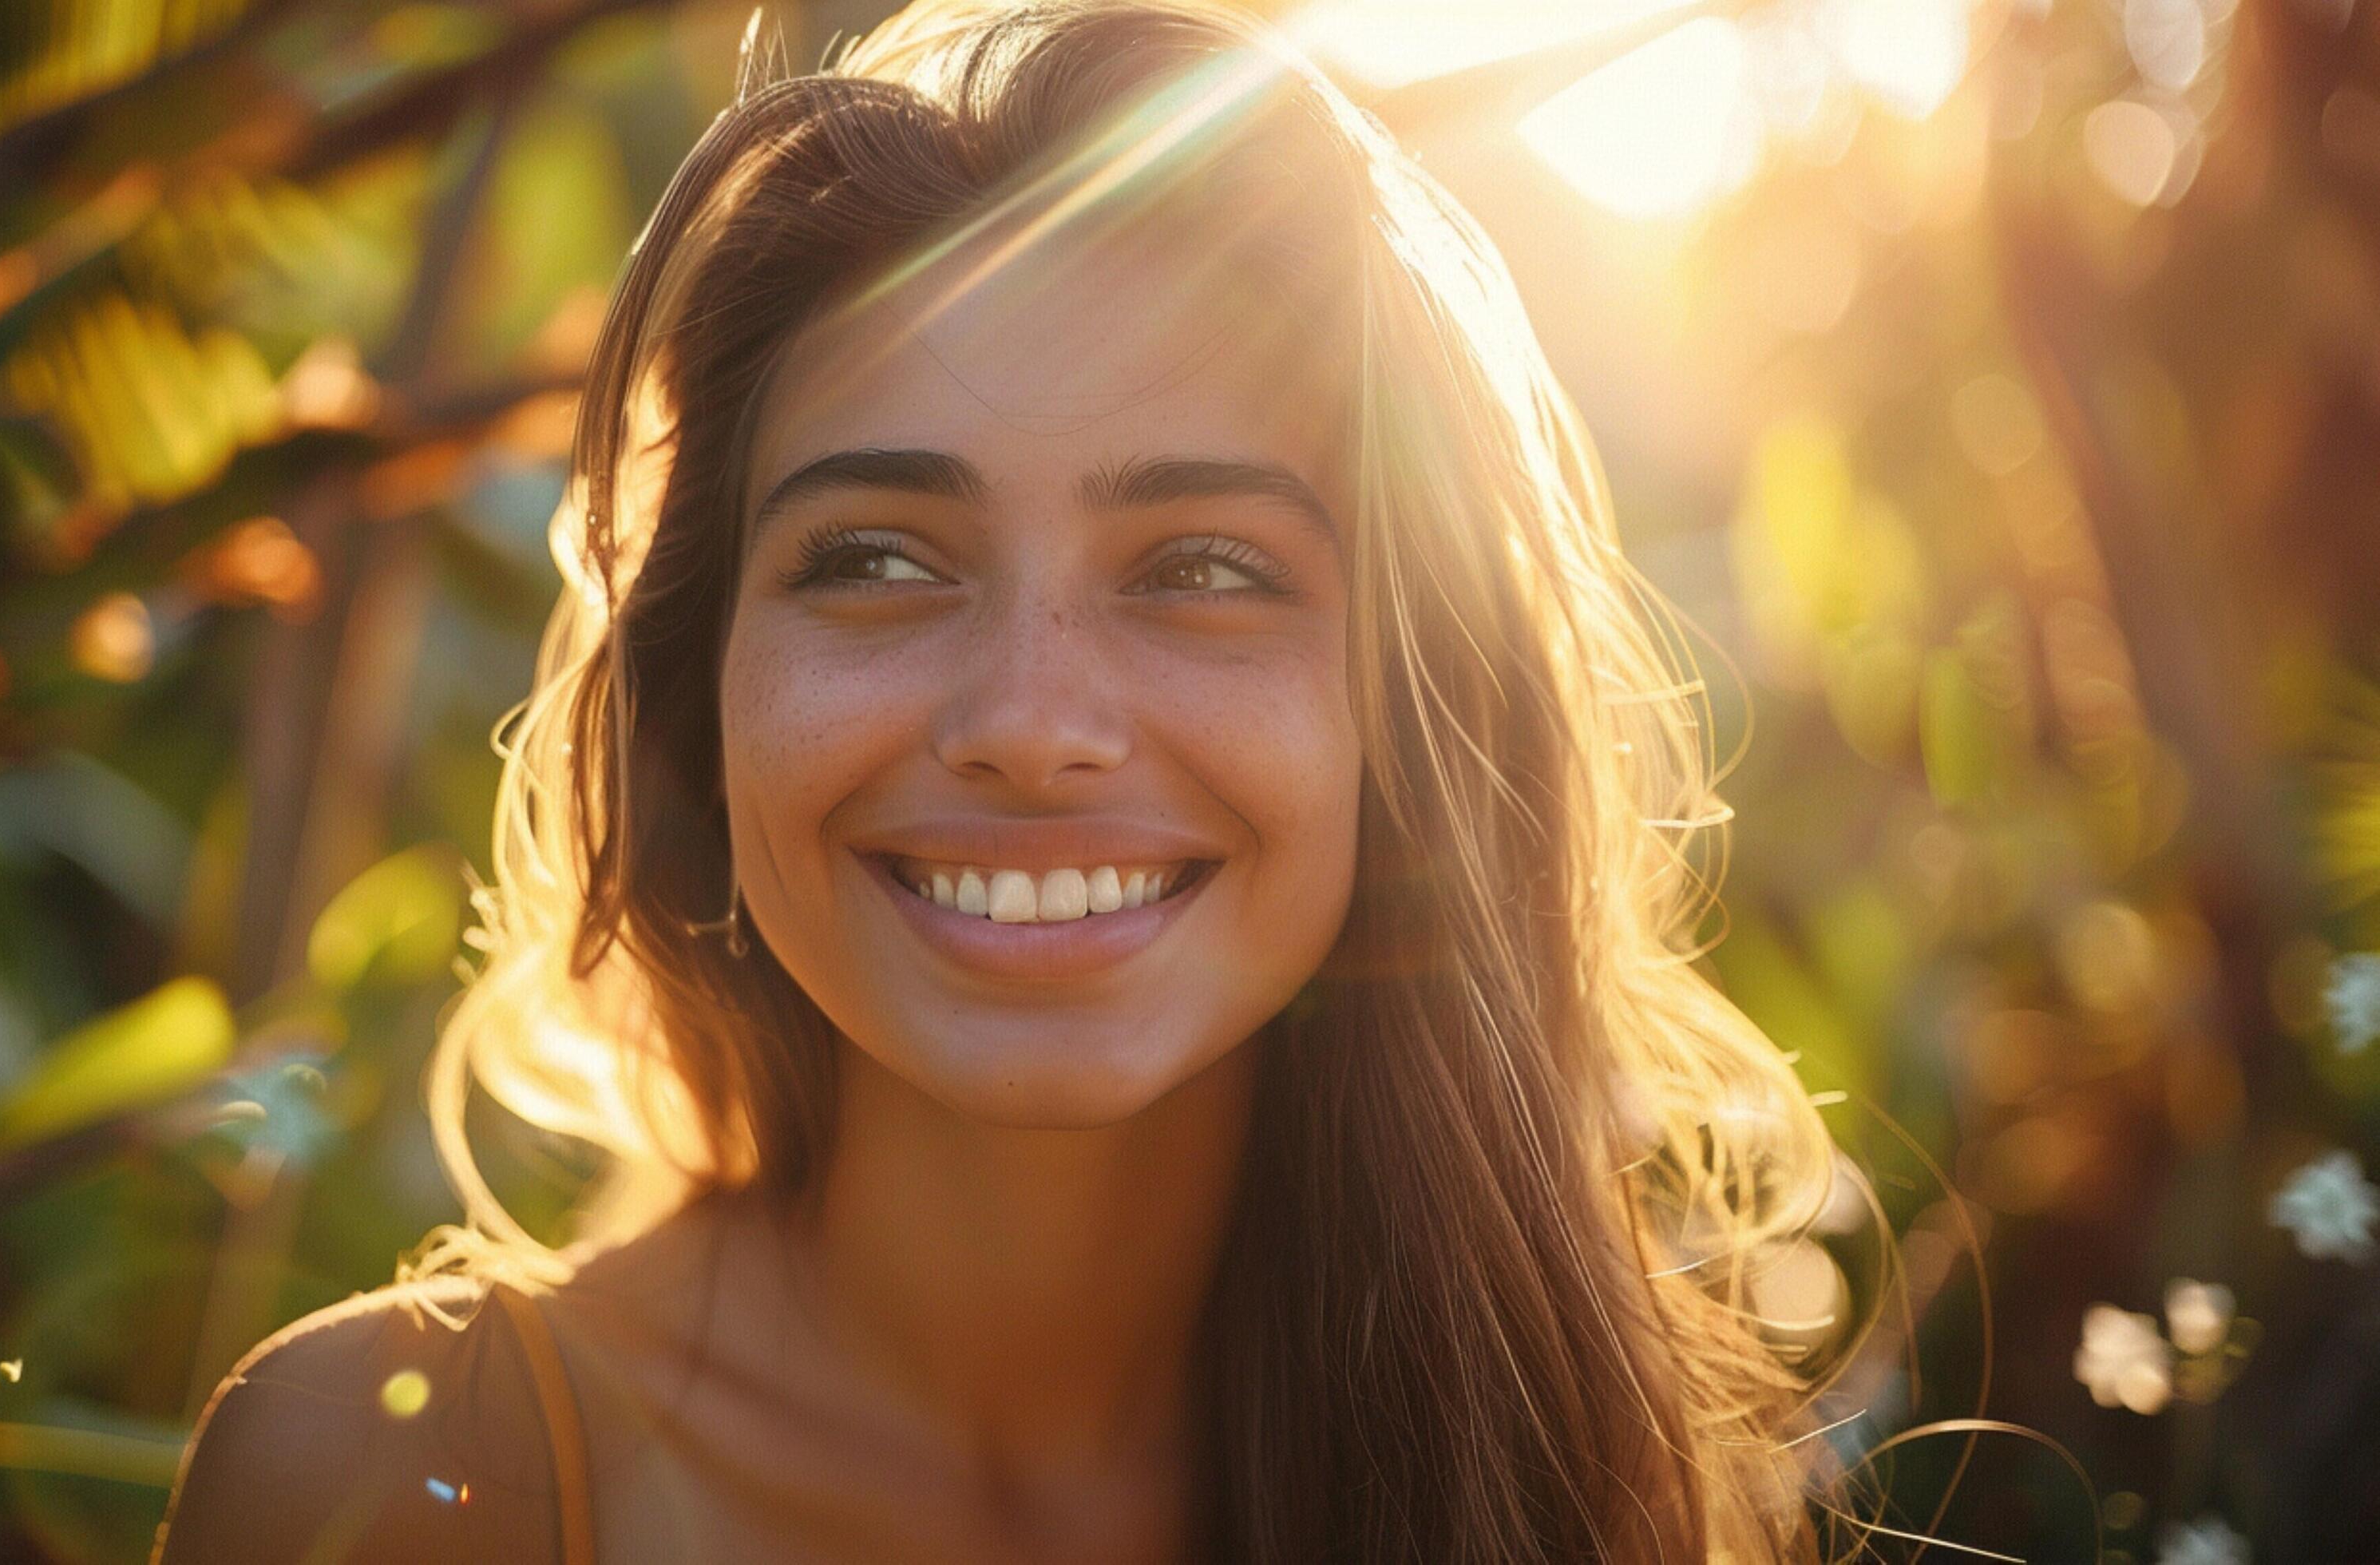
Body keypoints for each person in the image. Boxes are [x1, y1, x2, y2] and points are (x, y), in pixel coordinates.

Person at [153, 0, 1848, 1558]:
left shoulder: (1565, 1475)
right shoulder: (384, 1479)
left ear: (1406, 719)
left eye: (1201, 566)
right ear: (698, 705)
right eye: (879, 557)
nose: (1033, 722)